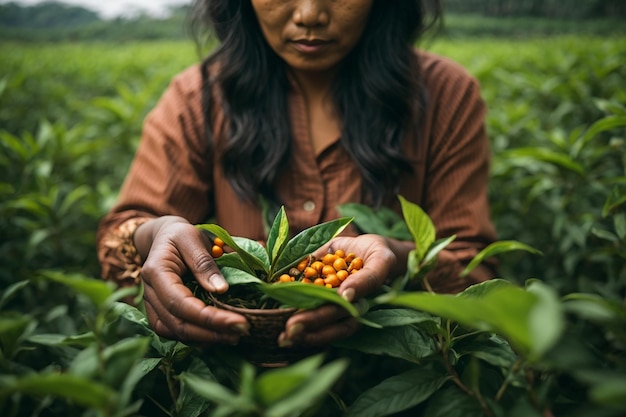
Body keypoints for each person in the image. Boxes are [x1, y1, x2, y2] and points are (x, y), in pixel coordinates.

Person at [97, 0, 497, 350]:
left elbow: (474, 271)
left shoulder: (444, 95)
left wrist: (398, 261)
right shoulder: (197, 99)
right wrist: (154, 235)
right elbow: (125, 232)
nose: (309, 15)